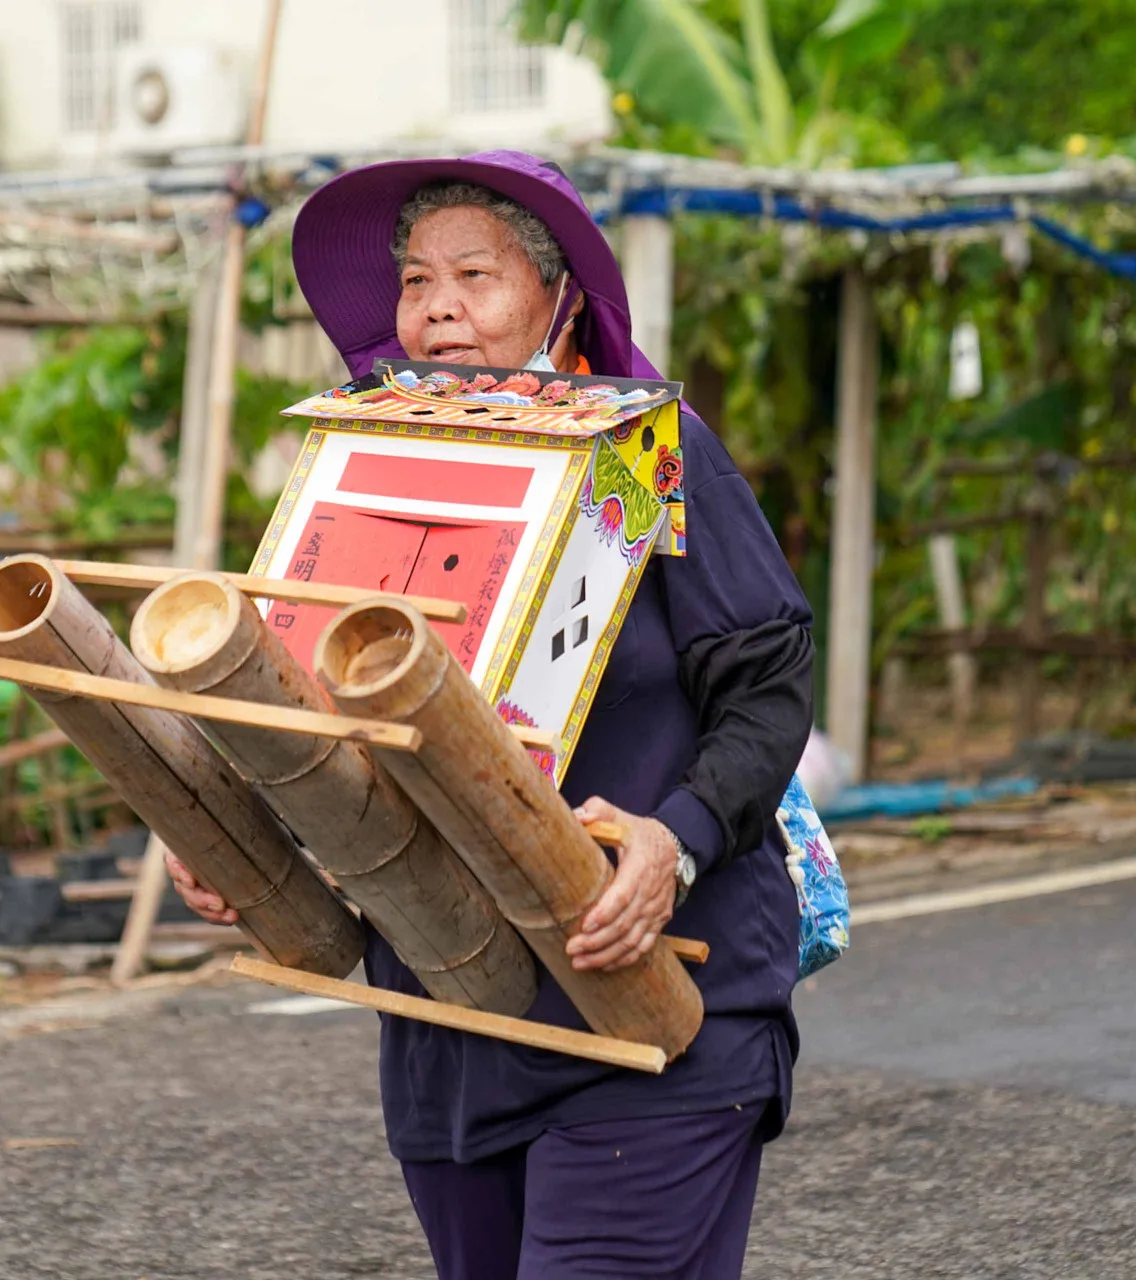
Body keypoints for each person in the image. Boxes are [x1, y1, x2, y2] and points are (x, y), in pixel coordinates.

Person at [165, 151, 814, 1279]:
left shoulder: (652, 455)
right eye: (418, 280)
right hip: (450, 1017)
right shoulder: (372, 465)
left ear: (559, 297)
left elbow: (767, 683)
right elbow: (313, 708)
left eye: (476, 272)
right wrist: (236, 840)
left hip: (654, 1002)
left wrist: (676, 836)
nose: (441, 307)